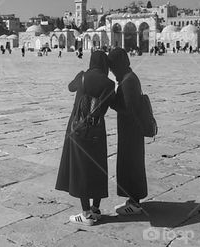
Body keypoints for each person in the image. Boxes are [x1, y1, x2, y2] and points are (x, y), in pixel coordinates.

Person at [56, 50, 115, 226]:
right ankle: (96, 209)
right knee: (97, 167)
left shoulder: (82, 77)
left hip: (77, 129)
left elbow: (70, 87)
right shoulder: (109, 84)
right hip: (97, 130)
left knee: (80, 168)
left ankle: (86, 213)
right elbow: (113, 104)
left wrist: (81, 77)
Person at [107, 48, 148, 216]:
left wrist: (112, 102)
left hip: (131, 130)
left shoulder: (128, 80)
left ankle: (135, 204)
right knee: (131, 163)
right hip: (130, 130)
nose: (112, 70)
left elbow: (128, 108)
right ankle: (133, 199)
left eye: (113, 66)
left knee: (132, 164)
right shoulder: (128, 77)